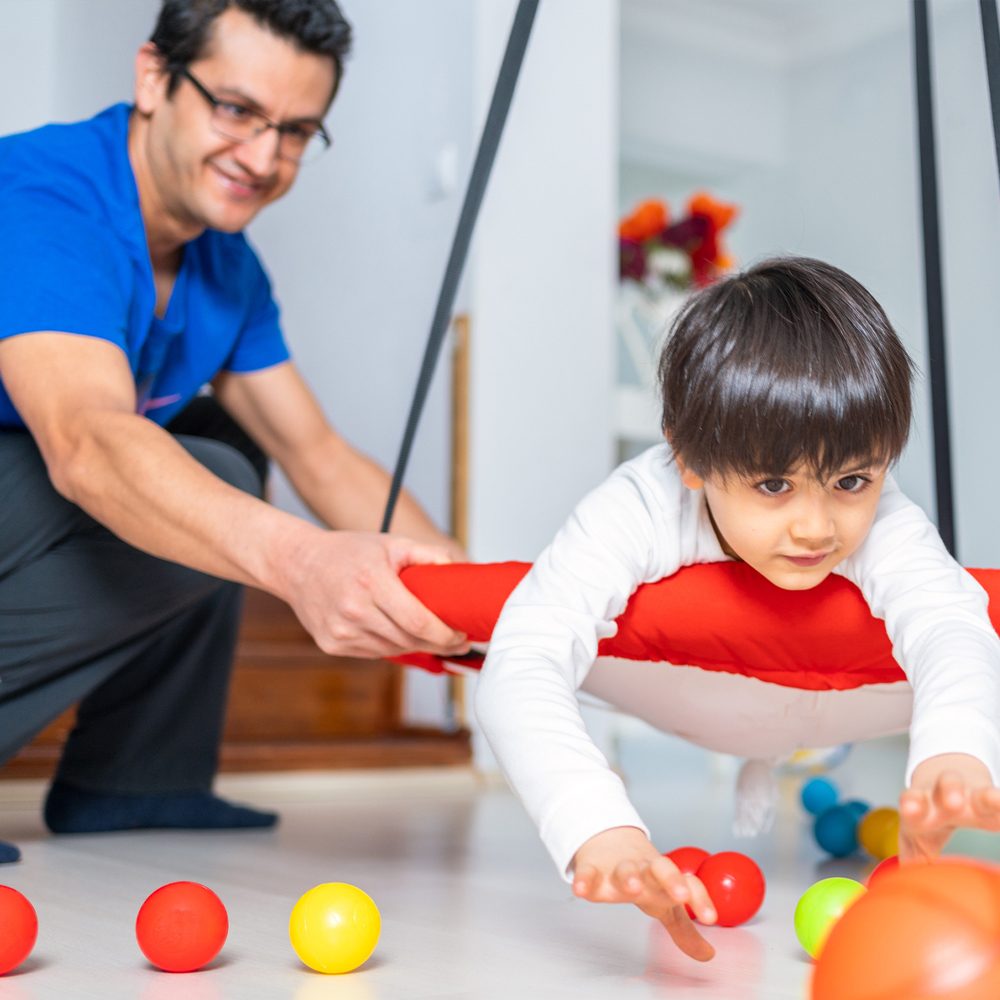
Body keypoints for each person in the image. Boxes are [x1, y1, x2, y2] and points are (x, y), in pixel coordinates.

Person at [0, 0, 469, 865]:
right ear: (153, 78)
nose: (263, 158)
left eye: (296, 131)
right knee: (198, 468)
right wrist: (300, 563)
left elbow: (319, 456)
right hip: (46, 465)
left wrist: (478, 606)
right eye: (237, 110)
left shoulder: (228, 269)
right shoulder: (45, 194)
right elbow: (86, 440)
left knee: (223, 450)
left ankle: (137, 781)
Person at [475, 257, 1000, 962]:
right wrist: (595, 825)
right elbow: (525, 657)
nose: (817, 528)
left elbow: (951, 626)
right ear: (687, 458)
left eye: (852, 480)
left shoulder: (888, 522)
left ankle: (792, 750)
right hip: (678, 695)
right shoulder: (639, 505)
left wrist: (955, 753)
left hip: (830, 703)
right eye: (775, 485)